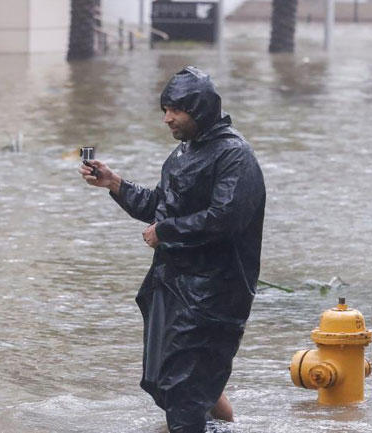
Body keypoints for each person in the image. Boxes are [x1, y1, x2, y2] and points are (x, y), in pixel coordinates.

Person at [79, 66, 265, 433]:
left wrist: (166, 231)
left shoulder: (235, 156)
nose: (167, 119)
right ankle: (225, 427)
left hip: (214, 293)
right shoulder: (183, 154)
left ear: (197, 109)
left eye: (174, 110)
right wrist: (115, 184)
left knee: (183, 388)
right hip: (173, 285)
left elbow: (225, 218)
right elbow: (160, 205)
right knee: (175, 379)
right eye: (165, 109)